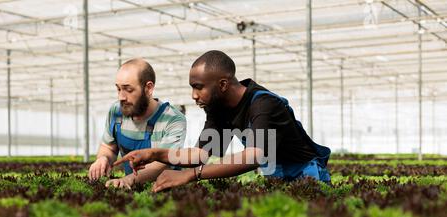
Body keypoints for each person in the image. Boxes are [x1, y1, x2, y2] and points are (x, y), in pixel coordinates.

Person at [113, 50, 330, 192]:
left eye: (198, 87)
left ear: (223, 85)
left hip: (308, 176)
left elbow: (256, 155)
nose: (193, 95)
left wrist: (192, 175)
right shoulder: (219, 109)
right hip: (277, 177)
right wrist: (156, 153)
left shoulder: (263, 105)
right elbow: (202, 154)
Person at [88, 58, 186, 189]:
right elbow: (108, 147)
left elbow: (164, 162)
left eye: (128, 90)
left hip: (166, 191)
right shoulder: (116, 112)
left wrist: (129, 179)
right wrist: (103, 159)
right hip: (131, 189)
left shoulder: (172, 119)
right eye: (118, 89)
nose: (121, 97)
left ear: (148, 88)